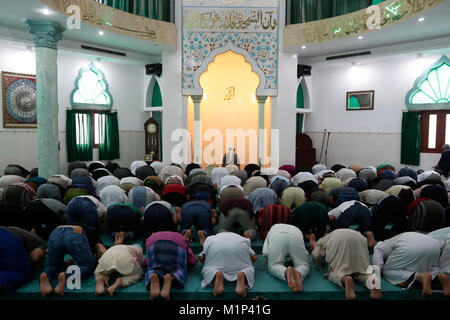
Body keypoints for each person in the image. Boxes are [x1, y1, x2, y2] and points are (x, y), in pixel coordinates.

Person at [311, 229, 382, 300]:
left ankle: (345, 280)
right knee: (363, 271)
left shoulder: (322, 240)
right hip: (361, 240)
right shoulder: (341, 232)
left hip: (342, 244)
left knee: (333, 273)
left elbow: (315, 254)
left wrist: (319, 265)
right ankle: (372, 281)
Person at [372, 232, 449, 297]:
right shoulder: (402, 236)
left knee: (388, 272)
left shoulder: (378, 247)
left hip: (409, 248)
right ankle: (439, 275)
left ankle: (420, 276)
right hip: (434, 245)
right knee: (428, 267)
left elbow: (377, 266)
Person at [39, 225, 97, 297]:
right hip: (75, 232)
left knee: (53, 266)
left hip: (55, 232)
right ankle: (66, 276)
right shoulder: (90, 230)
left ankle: (45, 275)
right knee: (87, 267)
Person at [198, 232, 257, 297]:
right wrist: (247, 262)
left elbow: (201, 257)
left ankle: (216, 273)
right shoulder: (244, 240)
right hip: (239, 266)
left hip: (216, 264)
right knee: (248, 268)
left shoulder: (210, 239)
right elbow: (254, 257)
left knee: (209, 268)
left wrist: (206, 263)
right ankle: (242, 273)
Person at [145, 231, 197, 300]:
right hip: (177, 245)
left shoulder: (152, 236)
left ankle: (153, 274)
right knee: (180, 269)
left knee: (152, 267)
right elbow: (191, 259)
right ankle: (172, 278)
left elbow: (147, 261)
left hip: (153, 242)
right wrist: (192, 263)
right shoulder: (181, 238)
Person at [262, 224, 310, 292]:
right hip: (296, 235)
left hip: (278, 237)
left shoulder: (271, 230)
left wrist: (270, 259)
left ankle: (285, 272)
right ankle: (299, 272)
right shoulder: (294, 228)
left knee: (274, 265)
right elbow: (306, 253)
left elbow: (265, 253)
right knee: (303, 264)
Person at [0, 227, 47, 294]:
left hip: (6, 235)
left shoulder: (17, 230)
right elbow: (35, 257)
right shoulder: (41, 243)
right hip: (9, 239)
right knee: (24, 273)